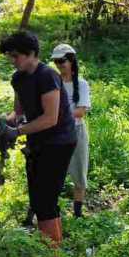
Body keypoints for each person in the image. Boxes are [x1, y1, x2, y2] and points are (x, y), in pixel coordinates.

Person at [0, 31, 77, 257]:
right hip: (37, 142)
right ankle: (53, 249)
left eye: (16, 56)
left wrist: (17, 131)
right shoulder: (18, 78)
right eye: (10, 57)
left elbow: (50, 119)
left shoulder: (47, 77)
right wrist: (8, 119)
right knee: (40, 196)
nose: (13, 61)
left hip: (59, 142)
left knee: (44, 199)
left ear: (31, 53)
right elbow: (19, 109)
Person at [51, 44, 90, 218]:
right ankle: (51, 210)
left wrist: (58, 115)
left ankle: (77, 213)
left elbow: (81, 110)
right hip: (55, 132)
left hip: (76, 130)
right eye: (56, 62)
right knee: (53, 172)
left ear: (71, 61)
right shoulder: (53, 83)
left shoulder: (81, 84)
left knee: (79, 170)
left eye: (62, 61)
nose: (59, 65)